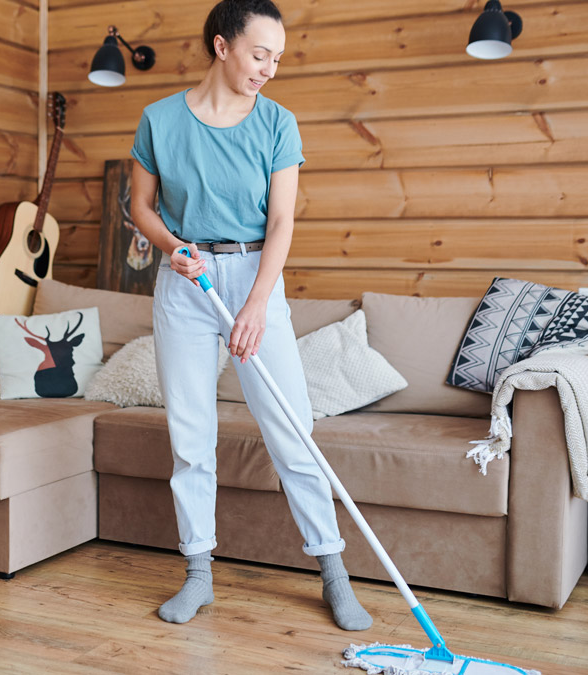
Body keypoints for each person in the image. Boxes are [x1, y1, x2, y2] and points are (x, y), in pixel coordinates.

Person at [128, 0, 373, 630]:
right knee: (191, 439)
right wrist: (173, 248)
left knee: (292, 431)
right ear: (222, 46)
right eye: (260, 53)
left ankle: (333, 573)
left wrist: (258, 303)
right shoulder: (159, 120)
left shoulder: (277, 123)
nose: (269, 68)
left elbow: (283, 220)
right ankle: (198, 575)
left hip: (254, 276)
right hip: (186, 281)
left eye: (277, 58)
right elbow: (142, 208)